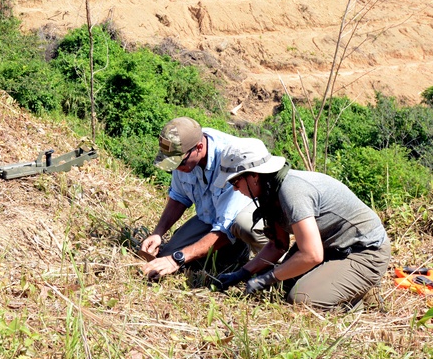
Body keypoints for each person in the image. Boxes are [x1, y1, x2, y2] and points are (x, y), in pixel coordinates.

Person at [211, 138, 391, 311]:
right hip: (329, 247)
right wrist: (243, 273)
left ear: (254, 176)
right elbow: (277, 246)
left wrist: (268, 278)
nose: (235, 188)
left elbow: (312, 255)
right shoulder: (270, 191)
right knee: (280, 289)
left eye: (235, 181)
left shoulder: (292, 191)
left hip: (365, 251)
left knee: (301, 299)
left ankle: (359, 296)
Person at [140, 117, 268, 280]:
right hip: (210, 219)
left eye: (179, 163)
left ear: (199, 148)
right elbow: (179, 197)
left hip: (239, 225)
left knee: (239, 228)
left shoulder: (231, 159)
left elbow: (226, 227)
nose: (177, 168)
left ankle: (245, 253)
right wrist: (158, 233)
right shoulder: (184, 154)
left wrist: (176, 260)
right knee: (165, 257)